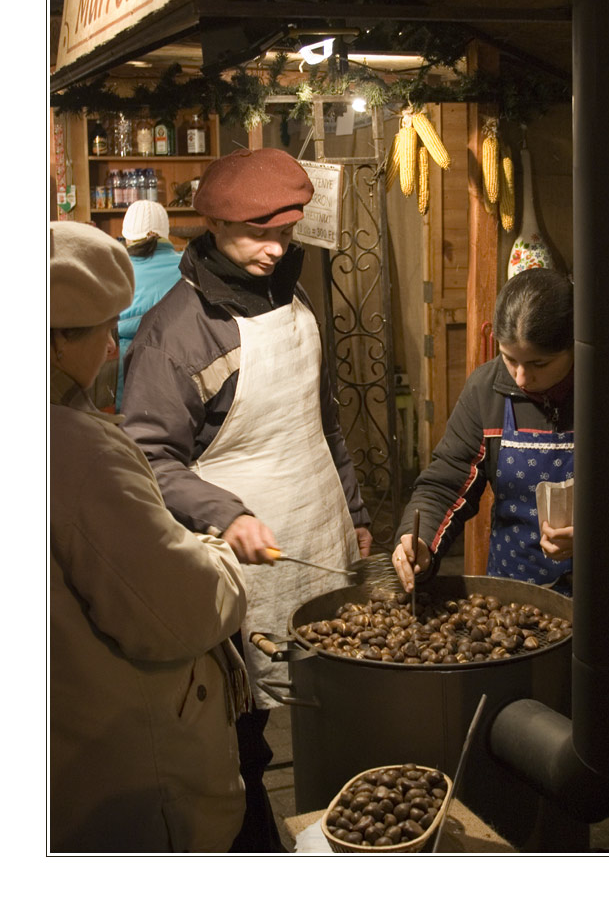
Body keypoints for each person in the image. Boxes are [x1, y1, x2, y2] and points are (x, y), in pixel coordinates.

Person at [120, 148, 372, 851]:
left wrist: (351, 512)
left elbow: (321, 423)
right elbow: (149, 454)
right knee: (247, 734)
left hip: (315, 532)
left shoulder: (294, 298)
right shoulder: (178, 332)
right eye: (258, 235)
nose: (274, 249)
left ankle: (345, 836)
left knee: (337, 702)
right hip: (239, 566)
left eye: (285, 234)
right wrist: (224, 514)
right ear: (216, 225)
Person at [49, 221, 250, 853]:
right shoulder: (75, 453)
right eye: (101, 331)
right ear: (53, 342)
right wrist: (219, 556)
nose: (112, 348)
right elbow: (176, 611)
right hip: (119, 778)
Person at [393, 267, 574, 595]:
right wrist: (419, 540)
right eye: (509, 359)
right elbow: (445, 486)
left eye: (539, 364)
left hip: (604, 593)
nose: (520, 378)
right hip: (512, 594)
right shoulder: (486, 390)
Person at [115, 199, 181, 411]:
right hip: (178, 373)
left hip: (126, 377)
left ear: (127, 236)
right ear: (166, 233)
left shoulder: (115, 270)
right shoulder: (188, 266)